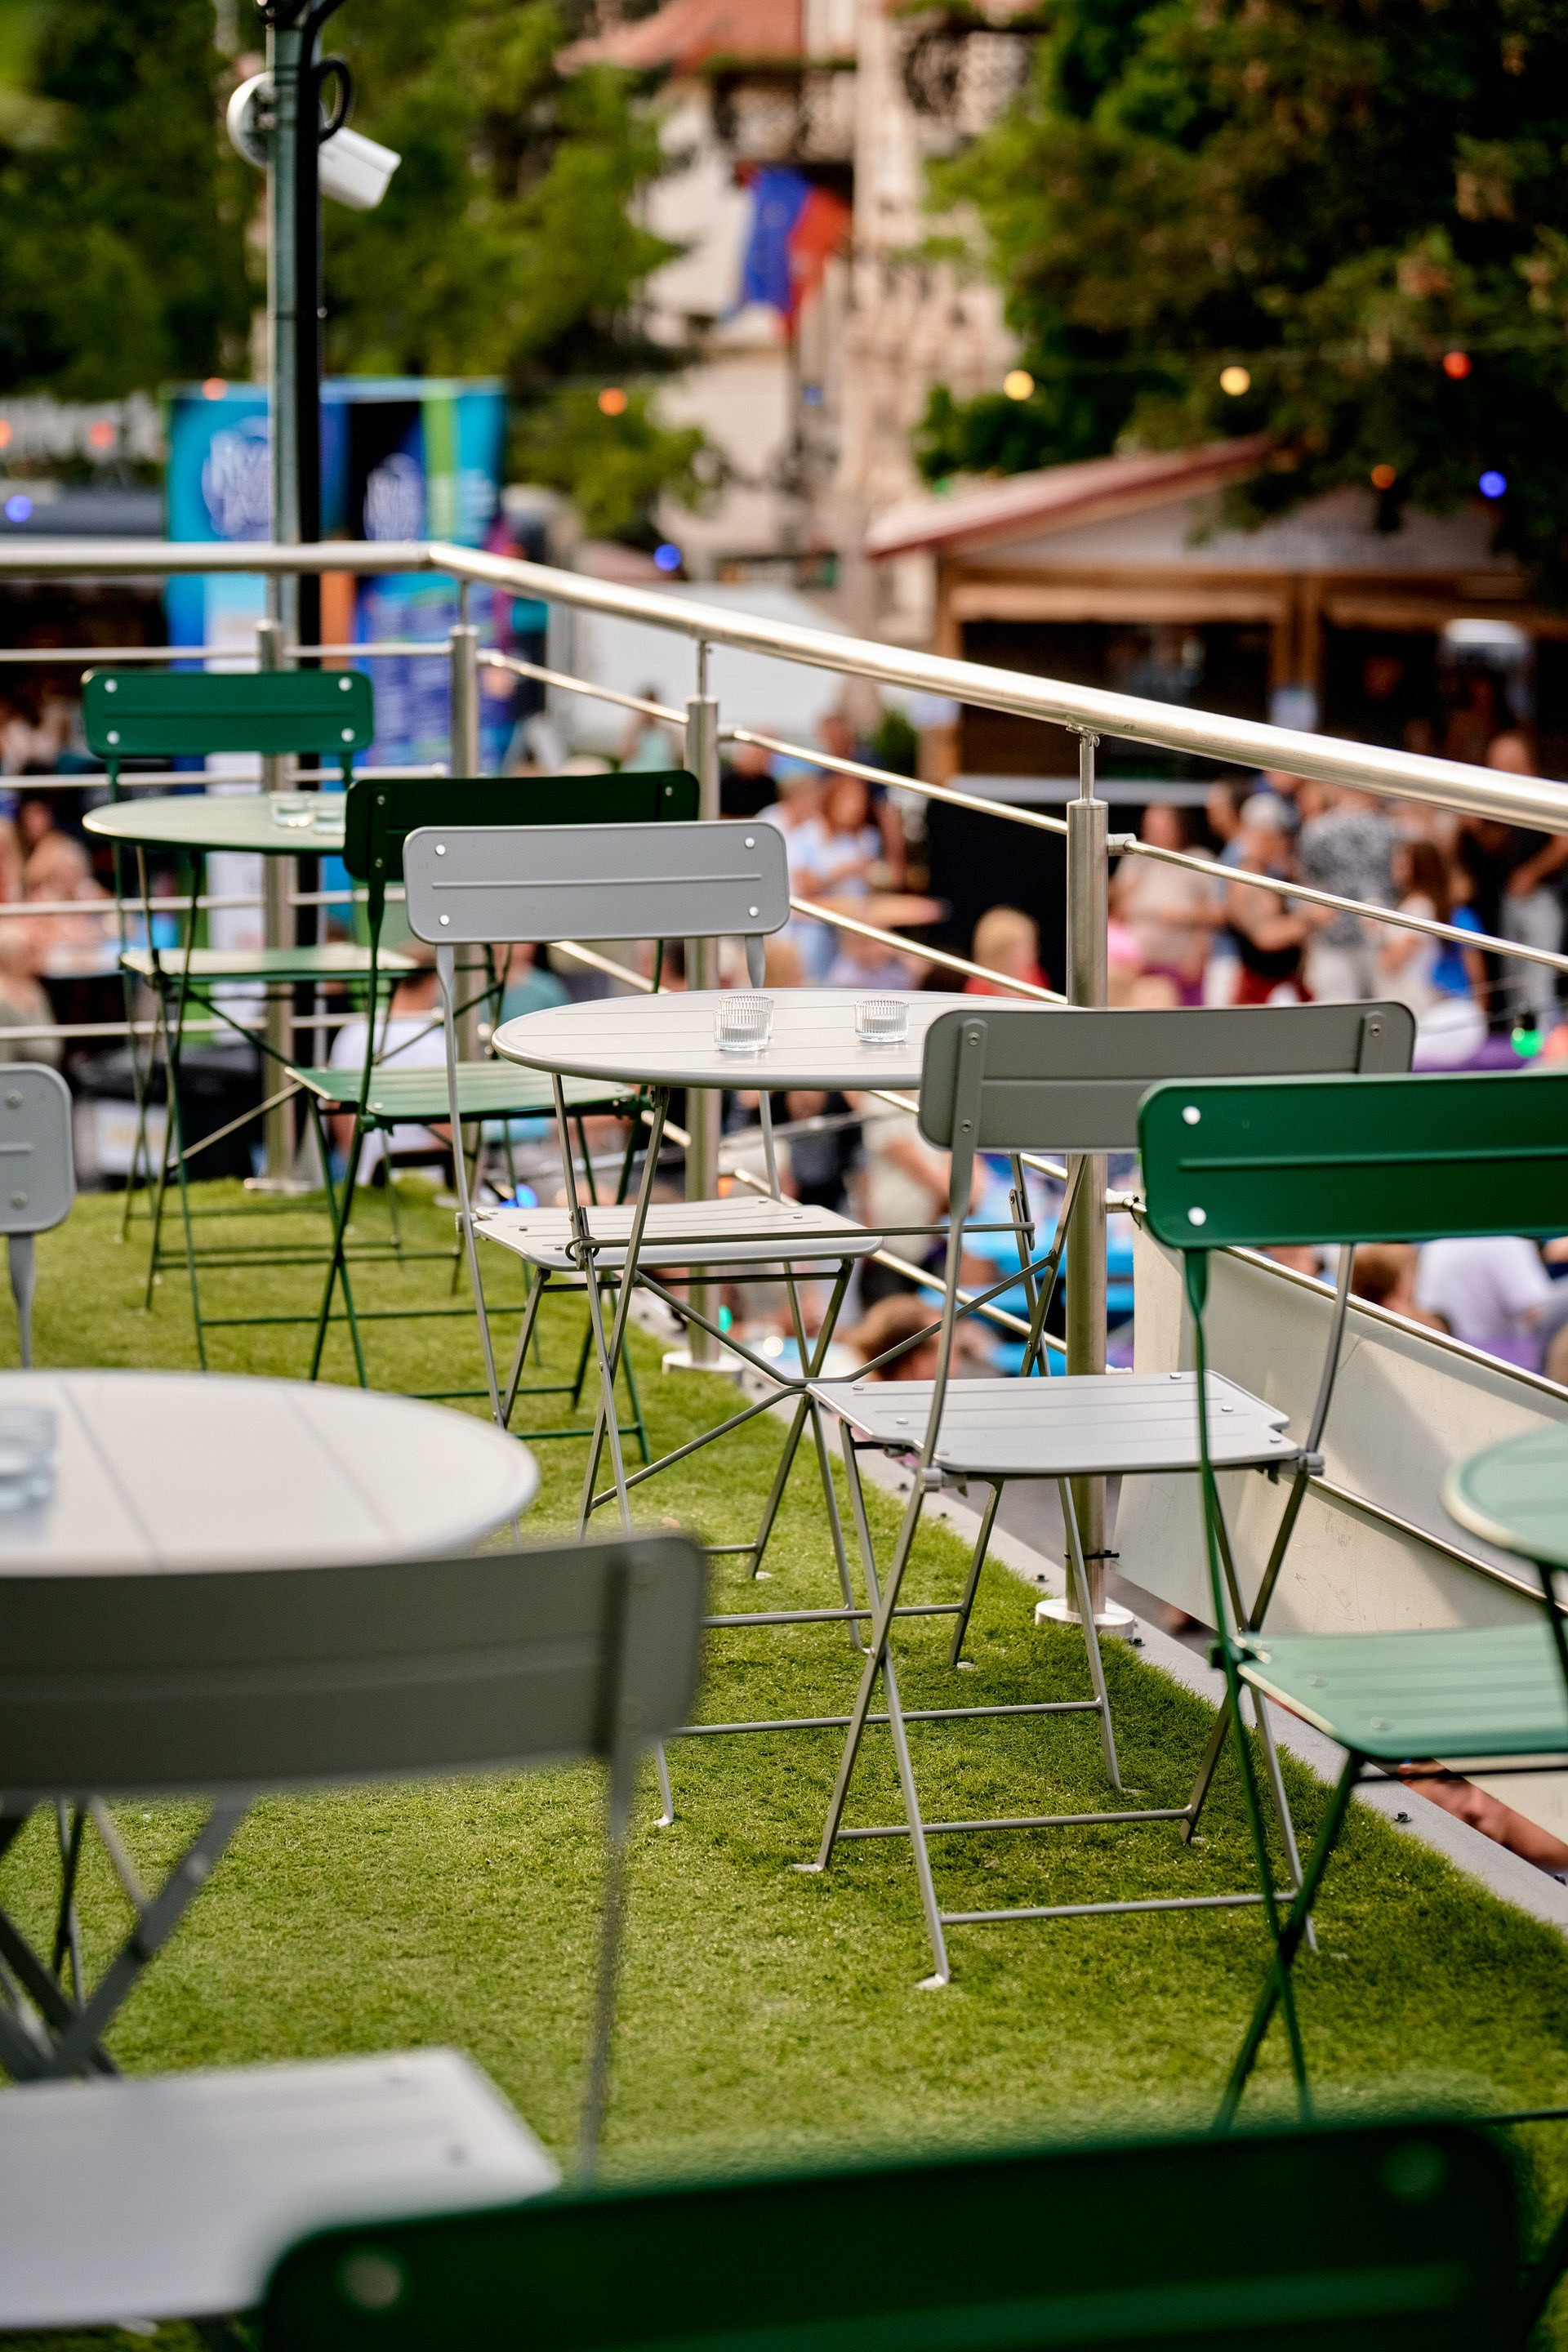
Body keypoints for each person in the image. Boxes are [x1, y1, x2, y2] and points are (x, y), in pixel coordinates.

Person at [327, 952, 448, 1179]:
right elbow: (448, 1130)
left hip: (363, 1180)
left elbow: (336, 1110)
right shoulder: (437, 1043)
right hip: (427, 1183)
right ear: (432, 983)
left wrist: (361, 1163)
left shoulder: (352, 1032)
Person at [1481, 731, 1566, 1030]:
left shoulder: (1544, 792)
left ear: (1520, 762)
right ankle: (1520, 1049)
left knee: (1537, 980)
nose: (1493, 768)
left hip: (1541, 900)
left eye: (1500, 762)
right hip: (1511, 899)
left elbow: (1563, 842)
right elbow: (1499, 845)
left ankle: (1545, 1044)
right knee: (1513, 981)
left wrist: (1531, 873)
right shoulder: (1508, 798)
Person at [1377, 838, 1486, 1067]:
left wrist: (1376, 934)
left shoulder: (1420, 908)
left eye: (1402, 863)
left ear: (1417, 867)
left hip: (1414, 992)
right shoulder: (1414, 905)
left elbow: (1392, 961)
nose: (1395, 868)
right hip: (1407, 990)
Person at [1296, 786, 1396, 1001]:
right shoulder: (1393, 829)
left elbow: (1308, 881)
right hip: (1366, 932)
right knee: (1385, 1008)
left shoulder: (1316, 829)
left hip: (1371, 935)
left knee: (1340, 1009)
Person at [1111, 804, 1215, 1000]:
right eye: (1150, 826)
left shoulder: (1199, 859)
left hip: (1180, 965)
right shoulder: (1136, 857)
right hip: (1137, 966)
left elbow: (1216, 914)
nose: (1154, 832)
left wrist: (1187, 918)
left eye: (1161, 827)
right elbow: (1116, 913)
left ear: (1179, 827)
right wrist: (1125, 893)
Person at [1414, 1235, 1554, 1370]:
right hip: (1501, 1367)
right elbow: (1537, 1311)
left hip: (1443, 1359)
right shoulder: (1505, 1241)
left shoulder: (1438, 1242)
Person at [1223, 795, 1312, 1004]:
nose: (1284, 844)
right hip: (1261, 990)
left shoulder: (1272, 874)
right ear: (1262, 836)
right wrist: (1312, 921)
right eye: (1279, 837)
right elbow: (1265, 936)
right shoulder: (1246, 879)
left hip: (1281, 984)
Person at [965, 905, 1049, 996]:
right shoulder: (979, 989)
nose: (1036, 950)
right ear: (1005, 952)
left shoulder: (1033, 975)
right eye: (1029, 946)